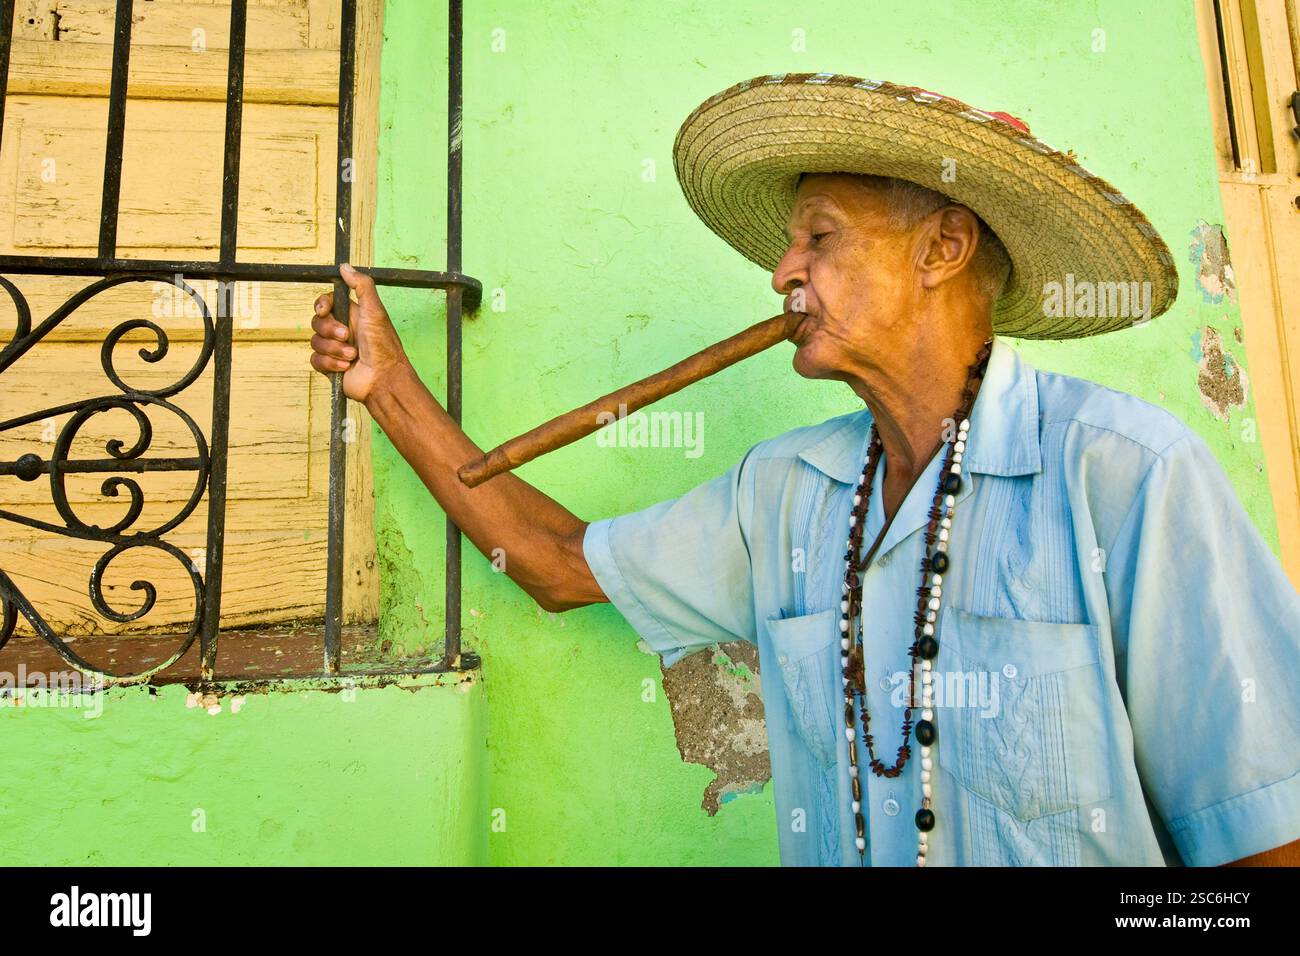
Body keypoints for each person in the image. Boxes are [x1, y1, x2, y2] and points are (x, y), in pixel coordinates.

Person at [308, 73, 1300, 866]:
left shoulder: (1128, 476)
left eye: (816, 238)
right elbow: (556, 560)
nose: (781, 273)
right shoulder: (785, 490)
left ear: (941, 248)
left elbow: (1268, 834)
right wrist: (387, 386)